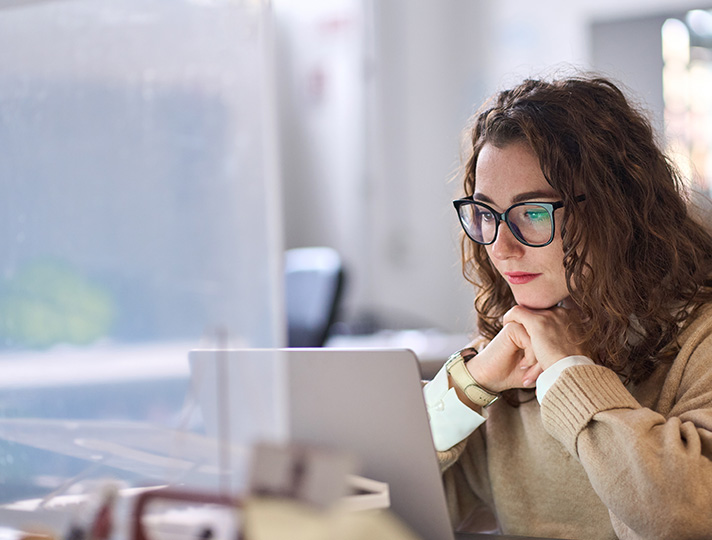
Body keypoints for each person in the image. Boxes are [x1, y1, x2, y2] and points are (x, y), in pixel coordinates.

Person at [423, 74, 712, 540]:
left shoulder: (701, 339)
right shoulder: (511, 349)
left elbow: (685, 518)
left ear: (616, 210)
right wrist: (469, 388)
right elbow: (377, 502)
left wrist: (567, 370)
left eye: (533, 212)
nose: (500, 248)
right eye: (486, 214)